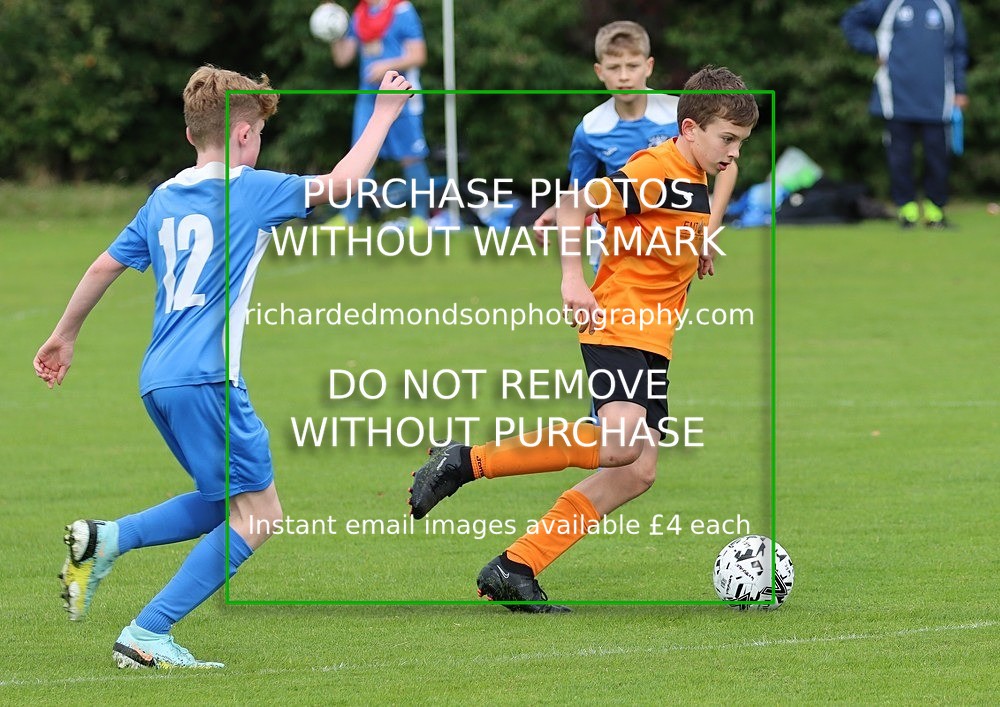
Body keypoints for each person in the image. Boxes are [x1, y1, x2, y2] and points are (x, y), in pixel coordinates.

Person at [34, 66, 412, 667]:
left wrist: (64, 335)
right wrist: (385, 112)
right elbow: (343, 184)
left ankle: (107, 539)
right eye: (259, 133)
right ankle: (148, 632)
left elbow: (104, 265)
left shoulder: (163, 198)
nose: (259, 144)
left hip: (159, 380)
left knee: (224, 502)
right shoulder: (251, 189)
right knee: (261, 516)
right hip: (210, 380)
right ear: (242, 135)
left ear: (191, 135)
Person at [408, 66, 758, 612]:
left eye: (741, 143)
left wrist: (696, 246)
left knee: (635, 472)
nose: (734, 154)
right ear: (690, 129)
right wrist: (572, 277)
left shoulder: (691, 176)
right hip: (618, 322)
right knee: (619, 445)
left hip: (652, 339)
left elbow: (658, 226)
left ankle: (514, 567)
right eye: (728, 140)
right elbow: (576, 203)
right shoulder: (656, 170)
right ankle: (464, 461)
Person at [535, 21, 738, 280]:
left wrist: (711, 229)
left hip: (671, 241)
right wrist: (554, 212)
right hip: (614, 243)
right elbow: (578, 193)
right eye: (614, 67)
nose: (623, 76)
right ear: (599, 71)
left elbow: (727, 165)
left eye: (632, 66)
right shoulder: (591, 128)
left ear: (648, 66)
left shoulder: (679, 115)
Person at [841, 0, 968, 228]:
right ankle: (907, 212)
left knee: (937, 158)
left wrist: (960, 89)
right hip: (896, 97)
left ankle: (935, 213)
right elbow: (851, 21)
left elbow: (958, 49)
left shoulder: (947, 5)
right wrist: (874, 48)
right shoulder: (889, 3)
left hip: (938, 99)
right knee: (900, 159)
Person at [330, 0, 430, 230]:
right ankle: (348, 218)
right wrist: (333, 32)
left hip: (401, 95)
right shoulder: (360, 14)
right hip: (368, 100)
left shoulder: (402, 10)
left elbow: (419, 55)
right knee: (360, 155)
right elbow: (343, 58)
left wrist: (386, 66)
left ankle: (420, 218)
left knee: (411, 156)